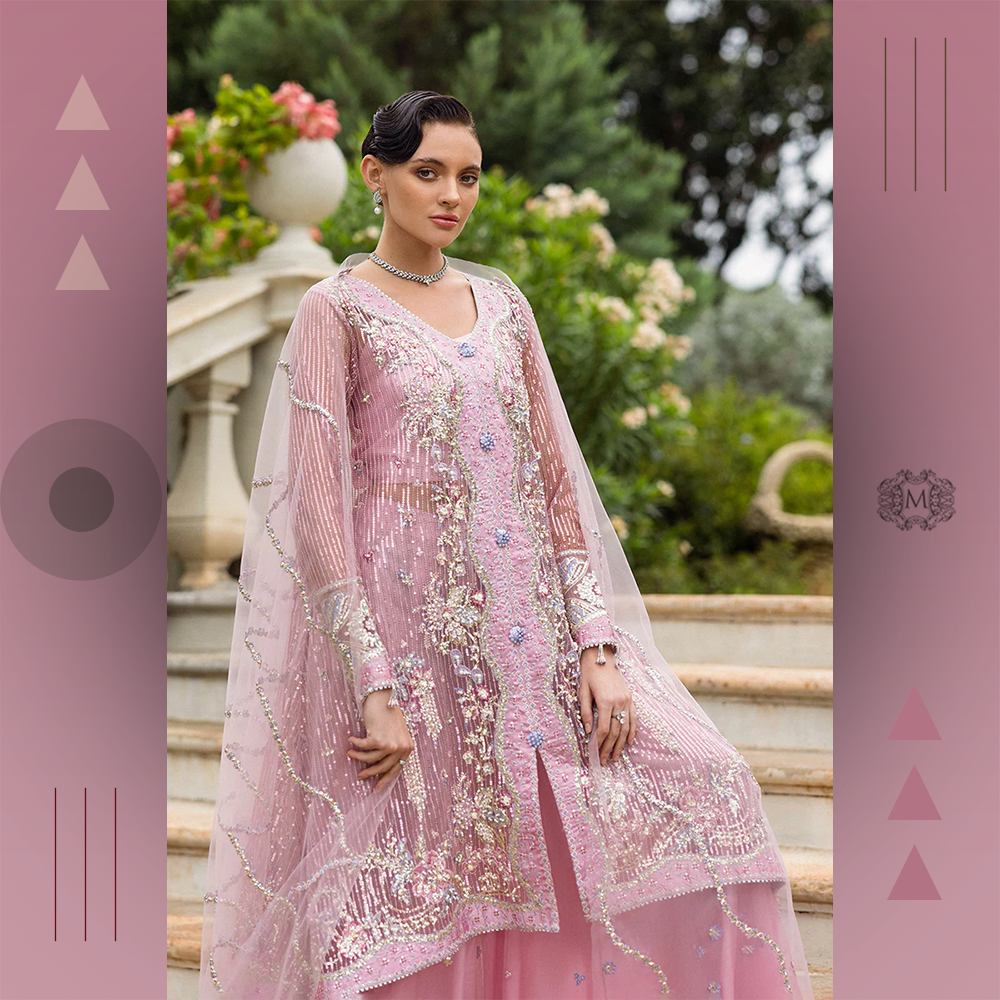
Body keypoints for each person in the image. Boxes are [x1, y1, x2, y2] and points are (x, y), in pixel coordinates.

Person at [198, 91, 816, 1000]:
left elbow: (555, 484)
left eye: (469, 176)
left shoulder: (502, 306)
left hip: (536, 633)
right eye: (428, 173)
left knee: (712, 782)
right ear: (375, 176)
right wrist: (372, 683)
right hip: (410, 646)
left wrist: (598, 648)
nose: (452, 195)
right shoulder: (338, 311)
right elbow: (320, 513)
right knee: (429, 869)